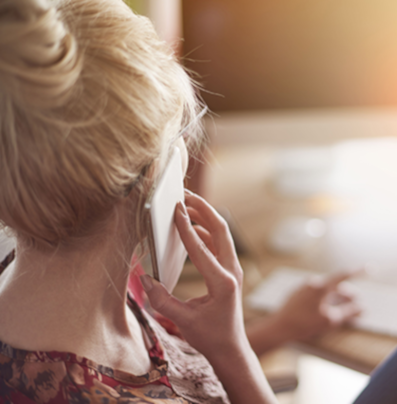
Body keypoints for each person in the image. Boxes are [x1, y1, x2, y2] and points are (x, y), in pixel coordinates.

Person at [0, 0, 358, 403]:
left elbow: (177, 372)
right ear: (155, 176)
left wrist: (241, 338)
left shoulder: (83, 282)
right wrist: (234, 351)